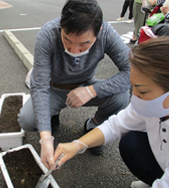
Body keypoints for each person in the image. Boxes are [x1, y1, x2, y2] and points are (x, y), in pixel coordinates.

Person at [17, 0, 131, 170]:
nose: (73, 49)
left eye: (84, 43)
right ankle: (51, 119)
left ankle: (95, 126)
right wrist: (45, 139)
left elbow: (133, 72)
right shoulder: (48, 34)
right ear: (61, 26)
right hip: (52, 87)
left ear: (98, 31)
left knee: (121, 96)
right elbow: (39, 86)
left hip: (85, 84)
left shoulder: (106, 32)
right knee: (27, 120)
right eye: (67, 39)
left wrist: (92, 90)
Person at [54, 36, 169, 188]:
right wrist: (77, 145)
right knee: (131, 143)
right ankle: (154, 179)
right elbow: (115, 125)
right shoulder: (151, 104)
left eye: (142, 91)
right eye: (133, 87)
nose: (135, 96)